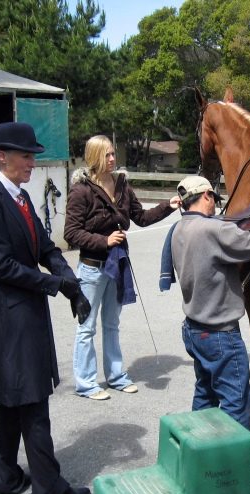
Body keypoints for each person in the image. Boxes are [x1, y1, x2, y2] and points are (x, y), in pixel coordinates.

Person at [0, 122, 93, 494]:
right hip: (8, 316)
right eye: (26, 155)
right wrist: (55, 286)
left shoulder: (20, 197)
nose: (33, 162)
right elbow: (0, 266)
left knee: (16, 396)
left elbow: (48, 248)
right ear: (2, 156)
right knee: (32, 398)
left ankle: (2, 476)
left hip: (26, 311)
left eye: (33, 156)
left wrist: (70, 279)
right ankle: (48, 489)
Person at [170, 175, 250, 486]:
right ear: (208, 197)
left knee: (205, 394)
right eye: (215, 197)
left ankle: (197, 456)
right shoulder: (213, 229)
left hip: (194, 329)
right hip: (220, 333)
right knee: (236, 400)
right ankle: (233, 471)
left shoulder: (179, 229)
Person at [64, 135, 180, 400]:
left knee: (112, 324)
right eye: (107, 155)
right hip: (92, 268)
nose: (113, 159)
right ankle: (86, 383)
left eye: (113, 153)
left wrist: (168, 206)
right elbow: (71, 233)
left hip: (117, 265)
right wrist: (103, 240)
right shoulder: (81, 190)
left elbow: (140, 217)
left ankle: (116, 377)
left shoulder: (122, 185)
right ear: (94, 157)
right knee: (86, 326)